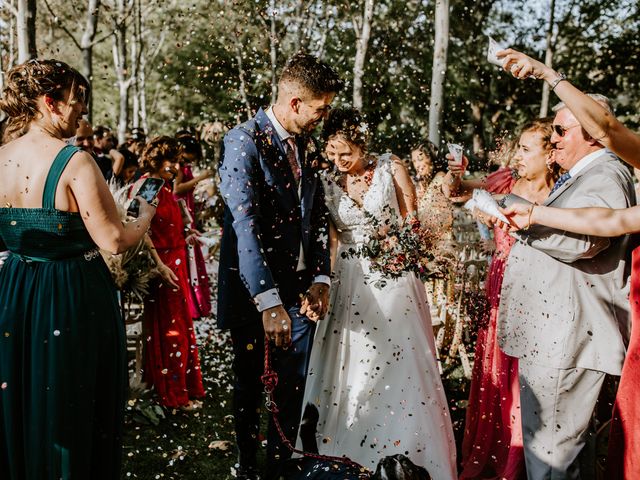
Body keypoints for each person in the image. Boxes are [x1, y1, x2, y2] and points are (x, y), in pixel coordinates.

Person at [0, 59, 156, 479]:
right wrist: (144, 213)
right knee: (73, 396)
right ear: (50, 103)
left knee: (27, 391)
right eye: (77, 105)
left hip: (16, 289)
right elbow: (114, 240)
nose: (82, 116)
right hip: (70, 293)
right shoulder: (75, 161)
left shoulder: (1, 157)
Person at [497, 47, 640, 479]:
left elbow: (588, 239)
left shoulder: (608, 172)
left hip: (570, 334)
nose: (552, 137)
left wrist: (528, 218)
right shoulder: (583, 176)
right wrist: (527, 213)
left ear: (592, 132)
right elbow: (607, 220)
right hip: (556, 333)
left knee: (555, 462)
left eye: (560, 129)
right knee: (554, 459)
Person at [297, 107, 457, 478]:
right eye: (332, 154)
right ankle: (349, 443)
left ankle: (406, 446)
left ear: (362, 141)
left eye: (345, 154)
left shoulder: (391, 167)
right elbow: (333, 240)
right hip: (349, 280)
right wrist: (326, 282)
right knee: (355, 365)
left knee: (398, 359)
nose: (339, 162)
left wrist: (401, 248)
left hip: (394, 281)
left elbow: (413, 222)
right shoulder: (327, 180)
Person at [217, 53, 343, 480]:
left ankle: (279, 466)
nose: (323, 117)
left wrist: (322, 277)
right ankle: (246, 465)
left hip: (302, 294)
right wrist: (268, 303)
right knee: (250, 385)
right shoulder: (243, 141)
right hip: (256, 293)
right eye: (320, 108)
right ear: (294, 102)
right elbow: (245, 224)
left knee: (291, 388)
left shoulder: (306, 146)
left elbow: (318, 214)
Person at [444, 119, 558, 480]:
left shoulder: (561, 192)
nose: (517, 155)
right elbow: (460, 191)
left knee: (524, 373)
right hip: (501, 282)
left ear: (550, 153)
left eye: (526, 149)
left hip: (537, 288)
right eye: (518, 147)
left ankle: (523, 454)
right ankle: (496, 448)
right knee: (499, 365)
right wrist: (455, 174)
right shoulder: (507, 179)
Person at [133, 136, 205, 410]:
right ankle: (173, 393)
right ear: (157, 160)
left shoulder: (161, 186)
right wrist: (158, 265)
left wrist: (186, 234)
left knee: (179, 327)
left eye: (177, 161)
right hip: (163, 267)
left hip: (175, 261)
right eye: (171, 161)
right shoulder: (149, 186)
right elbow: (139, 229)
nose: (175, 167)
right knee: (170, 330)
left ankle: (179, 387)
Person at [174, 135, 213, 319]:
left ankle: (197, 302)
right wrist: (200, 177)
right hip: (181, 212)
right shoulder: (178, 167)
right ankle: (192, 304)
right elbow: (177, 190)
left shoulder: (183, 165)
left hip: (187, 211)